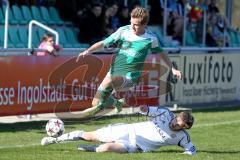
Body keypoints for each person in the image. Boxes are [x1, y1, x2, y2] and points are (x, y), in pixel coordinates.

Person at [75, 6, 182, 118]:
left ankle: (100, 108)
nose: (132, 26)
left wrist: (173, 69)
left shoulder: (151, 39)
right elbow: (104, 43)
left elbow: (162, 54)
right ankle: (117, 103)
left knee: (109, 83)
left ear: (144, 25)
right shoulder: (123, 30)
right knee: (95, 103)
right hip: (114, 71)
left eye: (136, 25)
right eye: (131, 22)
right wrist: (88, 51)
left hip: (130, 77)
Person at [41, 105, 196, 155]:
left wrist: (186, 153)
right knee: (88, 136)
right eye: (177, 121)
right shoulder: (165, 113)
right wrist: (143, 108)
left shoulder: (182, 137)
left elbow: (191, 149)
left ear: (184, 128)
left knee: (105, 148)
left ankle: (91, 150)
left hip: (136, 146)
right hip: (128, 130)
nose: (175, 124)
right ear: (176, 116)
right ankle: (54, 139)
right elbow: (148, 109)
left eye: (180, 125)